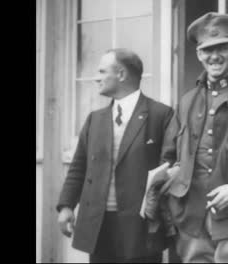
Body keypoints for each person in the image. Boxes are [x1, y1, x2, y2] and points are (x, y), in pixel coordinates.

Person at [160, 12, 228, 263]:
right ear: (199, 54)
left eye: (222, 48)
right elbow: (169, 157)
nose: (215, 56)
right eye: (207, 50)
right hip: (192, 223)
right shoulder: (186, 102)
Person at [56, 48, 173, 263]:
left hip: (140, 227)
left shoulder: (161, 115)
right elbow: (78, 167)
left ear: (121, 74)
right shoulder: (95, 119)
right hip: (99, 225)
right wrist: (66, 206)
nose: (96, 78)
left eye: (102, 71)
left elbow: (170, 167)